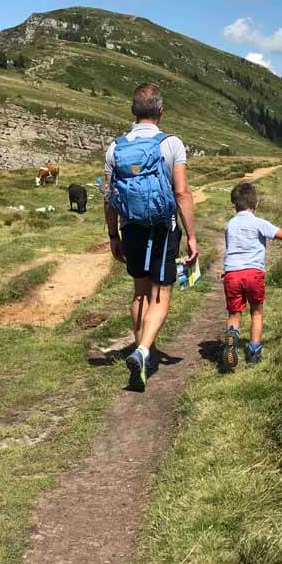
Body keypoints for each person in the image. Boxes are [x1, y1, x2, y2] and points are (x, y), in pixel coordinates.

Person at [104, 83, 199, 392]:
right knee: (161, 293)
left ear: (133, 110)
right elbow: (182, 193)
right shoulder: (171, 144)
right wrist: (192, 237)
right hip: (162, 227)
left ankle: (139, 346)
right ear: (161, 111)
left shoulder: (116, 147)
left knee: (140, 292)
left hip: (131, 227)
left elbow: (109, 196)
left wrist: (113, 234)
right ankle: (144, 351)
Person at [221, 182, 282, 370]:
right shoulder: (259, 223)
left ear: (233, 205)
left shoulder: (230, 225)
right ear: (256, 204)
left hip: (232, 274)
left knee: (234, 313)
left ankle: (232, 335)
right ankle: (253, 352)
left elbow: (230, 250)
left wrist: (226, 271)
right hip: (253, 274)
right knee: (256, 312)